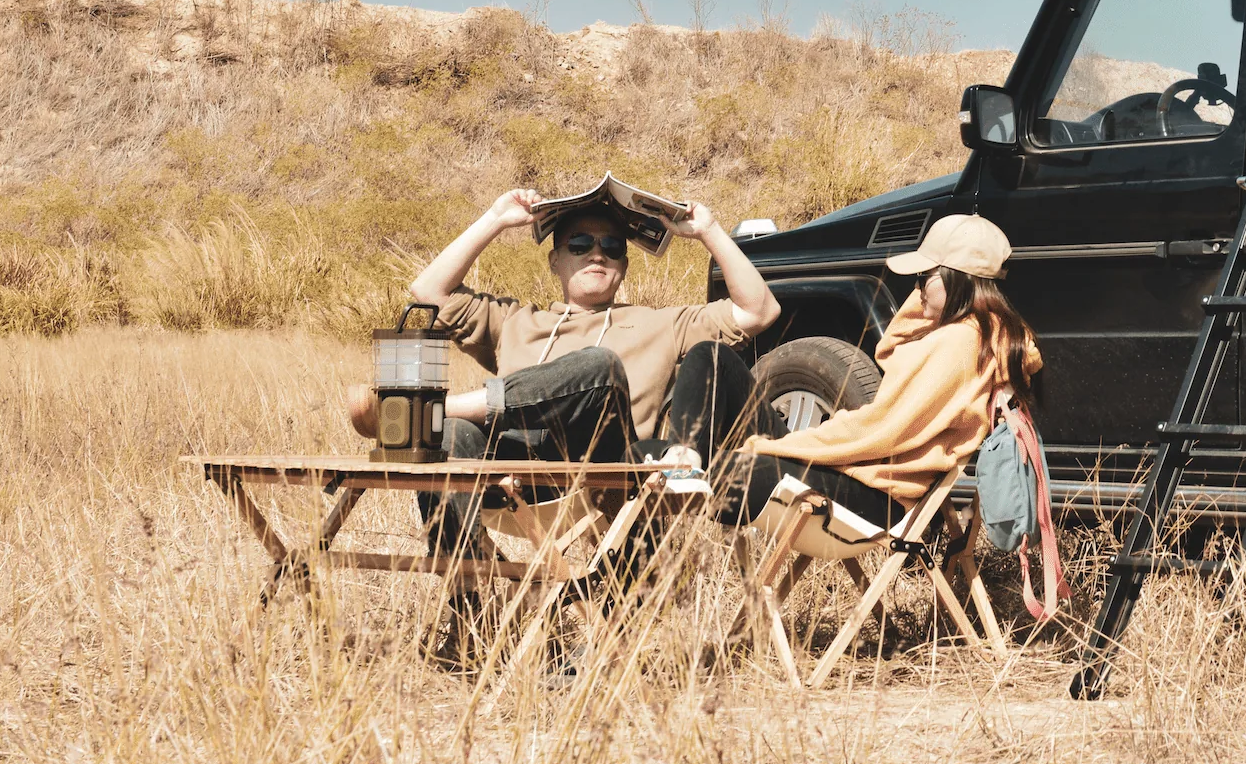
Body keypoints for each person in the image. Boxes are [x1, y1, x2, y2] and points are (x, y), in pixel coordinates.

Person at [351, 185, 782, 550]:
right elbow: (428, 291)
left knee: (599, 366)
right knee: (451, 436)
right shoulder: (516, 321)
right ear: (555, 260)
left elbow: (759, 310)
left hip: (606, 476)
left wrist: (709, 231)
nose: (597, 255)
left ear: (623, 265)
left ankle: (426, 410)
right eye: (580, 245)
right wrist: (495, 220)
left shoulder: (661, 323)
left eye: (611, 248)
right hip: (516, 476)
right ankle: (468, 597)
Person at [736, 213, 1039, 530]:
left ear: (956, 278)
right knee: (716, 364)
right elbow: (892, 352)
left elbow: (876, 432)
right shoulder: (989, 337)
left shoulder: (957, 344)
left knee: (722, 466)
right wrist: (935, 295)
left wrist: (773, 448)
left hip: (875, 494)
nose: (916, 287)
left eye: (923, 275)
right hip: (875, 482)